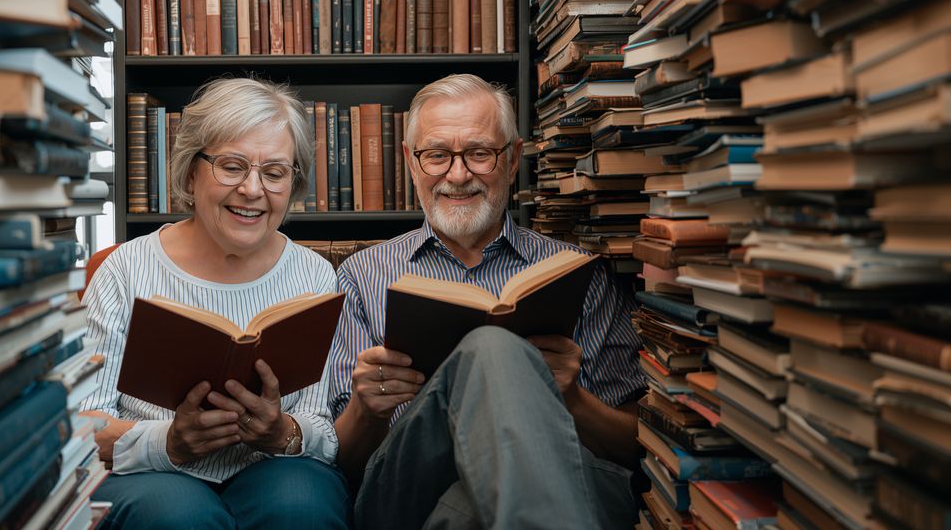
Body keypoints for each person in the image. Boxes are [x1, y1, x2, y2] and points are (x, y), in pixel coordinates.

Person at [327, 74, 646, 529]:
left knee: (467, 510)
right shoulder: (360, 277)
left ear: (513, 159)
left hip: (566, 484)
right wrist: (365, 409)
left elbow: (636, 446)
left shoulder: (577, 274)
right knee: (492, 348)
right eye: (437, 155)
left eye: (479, 153)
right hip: (409, 488)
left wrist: (570, 398)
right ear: (410, 162)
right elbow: (344, 463)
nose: (458, 176)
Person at [81, 78, 349, 529]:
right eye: (231, 166)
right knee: (176, 516)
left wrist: (282, 431)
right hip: (154, 475)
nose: (252, 189)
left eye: (275, 172)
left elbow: (323, 428)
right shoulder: (124, 271)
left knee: (301, 505)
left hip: (272, 469)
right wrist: (169, 442)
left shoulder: (315, 275)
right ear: (190, 172)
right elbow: (86, 427)